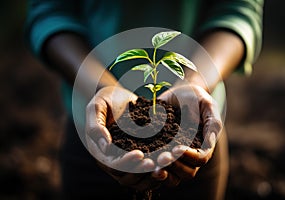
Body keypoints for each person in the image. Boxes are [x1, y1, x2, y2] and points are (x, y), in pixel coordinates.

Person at [25, 0, 264, 199]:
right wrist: (104, 87)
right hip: (93, 129)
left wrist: (194, 83)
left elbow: (238, 11)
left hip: (196, 129)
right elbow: (50, 11)